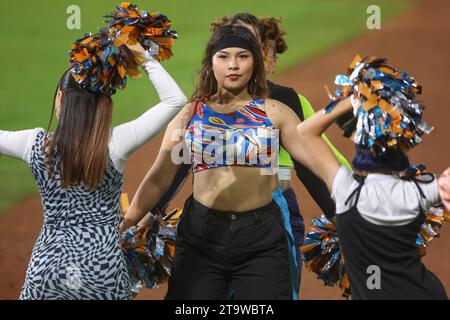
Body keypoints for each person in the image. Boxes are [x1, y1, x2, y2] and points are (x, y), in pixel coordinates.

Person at [122, 24, 332, 299]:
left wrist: (352, 214)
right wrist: (127, 224)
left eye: (242, 56)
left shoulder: (276, 113)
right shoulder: (189, 115)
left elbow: (319, 165)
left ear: (255, 62)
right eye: (224, 57)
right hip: (201, 238)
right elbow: (159, 178)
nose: (233, 65)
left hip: (262, 240)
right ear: (211, 62)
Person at [0, 47, 187, 299]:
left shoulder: (32, 143)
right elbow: (175, 100)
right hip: (101, 270)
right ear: (103, 103)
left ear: (62, 99)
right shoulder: (115, 144)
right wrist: (141, 54)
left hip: (47, 268)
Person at [295, 56, 447, 299]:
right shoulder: (422, 189)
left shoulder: (346, 190)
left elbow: (303, 133)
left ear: (360, 153)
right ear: (402, 149)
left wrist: (354, 99)